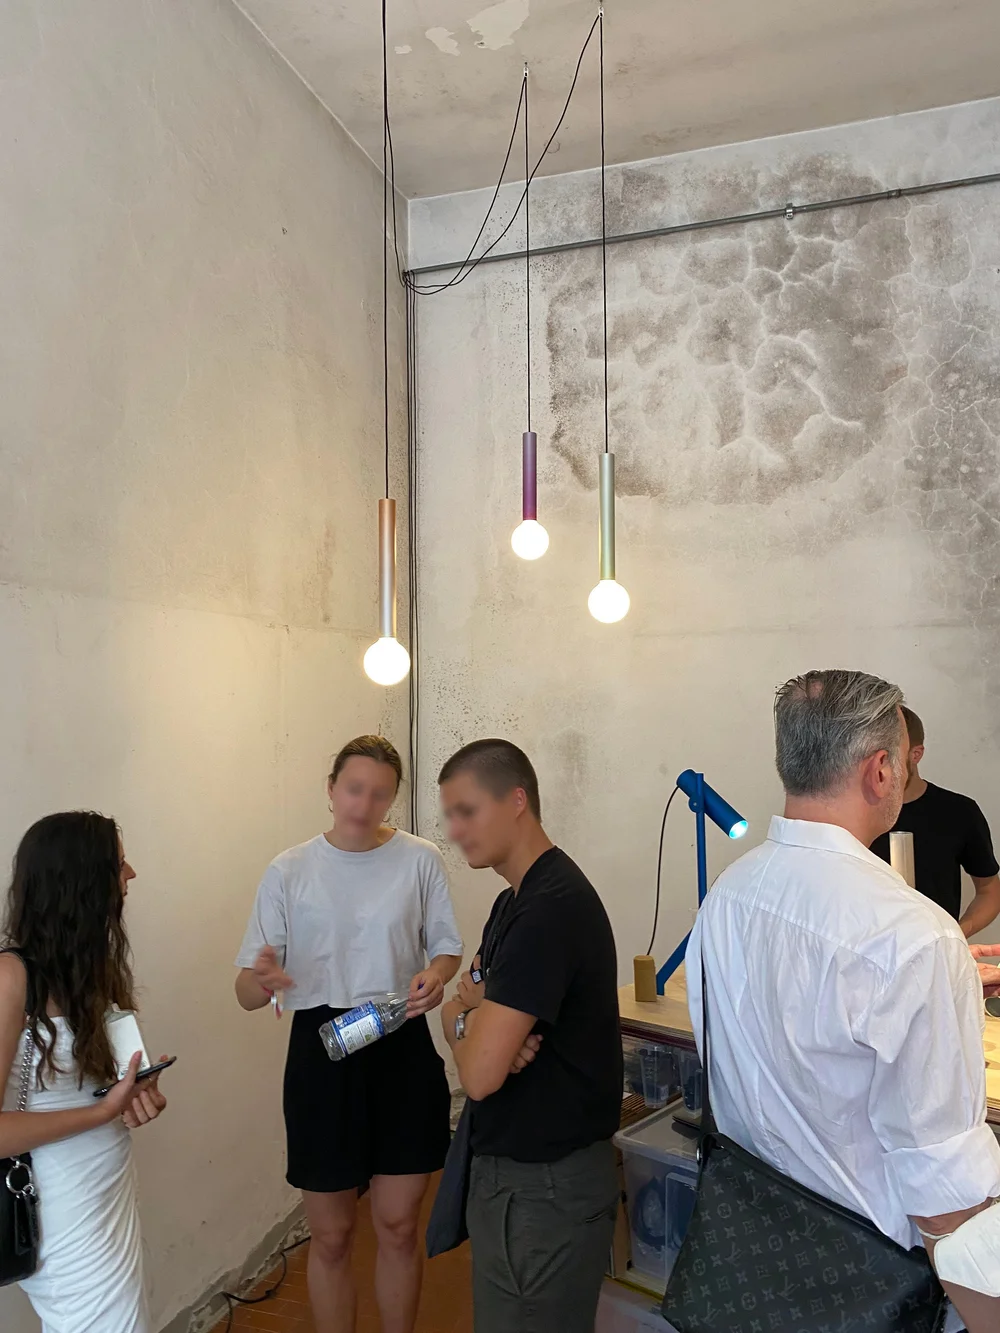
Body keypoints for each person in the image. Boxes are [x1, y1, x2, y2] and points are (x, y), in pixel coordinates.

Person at [689, 670, 1000, 1333]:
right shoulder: (913, 937)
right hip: (871, 1288)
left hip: (751, 1262)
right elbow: (946, 1197)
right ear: (882, 769)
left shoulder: (727, 896)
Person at [234, 735, 462, 1333]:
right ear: (331, 789)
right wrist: (263, 980)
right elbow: (245, 991)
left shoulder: (420, 859)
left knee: (397, 1224)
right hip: (321, 1050)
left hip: (400, 1039)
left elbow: (445, 949)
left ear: (393, 798)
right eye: (354, 789)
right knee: (332, 1235)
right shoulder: (289, 870)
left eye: (379, 794)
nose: (363, 805)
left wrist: (436, 977)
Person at [438, 739, 622, 1333]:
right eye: (450, 815)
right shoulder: (510, 905)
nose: (455, 830)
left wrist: (475, 1027)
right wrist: (473, 1020)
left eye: (467, 811)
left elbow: (479, 1075)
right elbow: (455, 1010)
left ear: (517, 799)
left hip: (542, 1192)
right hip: (523, 1184)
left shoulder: (548, 910)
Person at [0, 812, 169, 1332]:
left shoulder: (93, 966)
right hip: (59, 1202)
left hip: (106, 1186)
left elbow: (111, 1076)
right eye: (118, 864)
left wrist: (138, 1089)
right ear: (80, 881)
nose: (132, 874)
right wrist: (102, 1111)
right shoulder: (11, 977)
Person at [871, 705, 1000, 935]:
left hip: (937, 958)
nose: (881, 769)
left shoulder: (959, 812)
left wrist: (955, 935)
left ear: (915, 754)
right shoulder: (856, 813)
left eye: (889, 758)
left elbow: (989, 890)